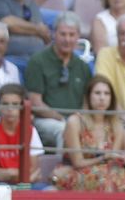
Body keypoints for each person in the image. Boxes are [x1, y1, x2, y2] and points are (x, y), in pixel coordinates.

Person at [52, 72, 125, 190]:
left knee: (120, 178)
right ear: (89, 96)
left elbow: (112, 161)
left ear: (111, 99)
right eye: (97, 93)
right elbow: (77, 162)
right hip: (77, 172)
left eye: (107, 94)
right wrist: (103, 158)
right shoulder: (75, 122)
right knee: (106, 180)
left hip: (107, 173)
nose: (102, 98)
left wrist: (123, 157)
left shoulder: (117, 125)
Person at [25, 11, 89, 145]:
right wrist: (63, 119)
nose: (67, 39)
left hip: (76, 120)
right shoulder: (38, 61)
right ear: (54, 34)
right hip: (45, 121)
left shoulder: (82, 66)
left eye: (72, 35)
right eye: (63, 34)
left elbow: (86, 102)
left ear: (78, 37)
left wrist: (79, 120)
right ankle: (64, 165)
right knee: (64, 130)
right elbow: (35, 103)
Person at [0, 81, 45, 185]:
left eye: (15, 104)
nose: (10, 109)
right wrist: (20, 174)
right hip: (1, 184)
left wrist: (12, 173)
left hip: (26, 182)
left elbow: (33, 168)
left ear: (23, 106)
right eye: (5, 104)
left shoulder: (30, 130)